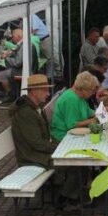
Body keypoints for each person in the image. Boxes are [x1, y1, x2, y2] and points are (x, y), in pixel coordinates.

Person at [10, 74, 79, 203]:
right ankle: (64, 200)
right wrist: (60, 147)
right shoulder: (26, 112)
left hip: (37, 153)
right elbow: (37, 144)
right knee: (75, 164)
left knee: (75, 159)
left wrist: (59, 146)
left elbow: (40, 141)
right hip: (32, 157)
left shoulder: (35, 107)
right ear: (34, 92)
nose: (48, 94)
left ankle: (70, 195)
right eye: (45, 90)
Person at [51, 71, 100, 142]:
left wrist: (101, 113)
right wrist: (92, 121)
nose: (93, 93)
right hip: (63, 136)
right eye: (92, 91)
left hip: (74, 132)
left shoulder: (80, 96)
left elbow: (89, 112)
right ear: (84, 89)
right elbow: (72, 125)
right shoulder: (71, 99)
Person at [0, 28, 37, 101]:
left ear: (18, 37)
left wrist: (6, 59)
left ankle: (10, 95)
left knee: (1, 74)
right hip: (29, 69)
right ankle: (14, 92)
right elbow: (17, 51)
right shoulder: (26, 43)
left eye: (13, 37)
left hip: (25, 71)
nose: (12, 38)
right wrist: (12, 52)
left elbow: (17, 63)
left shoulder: (24, 46)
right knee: (7, 70)